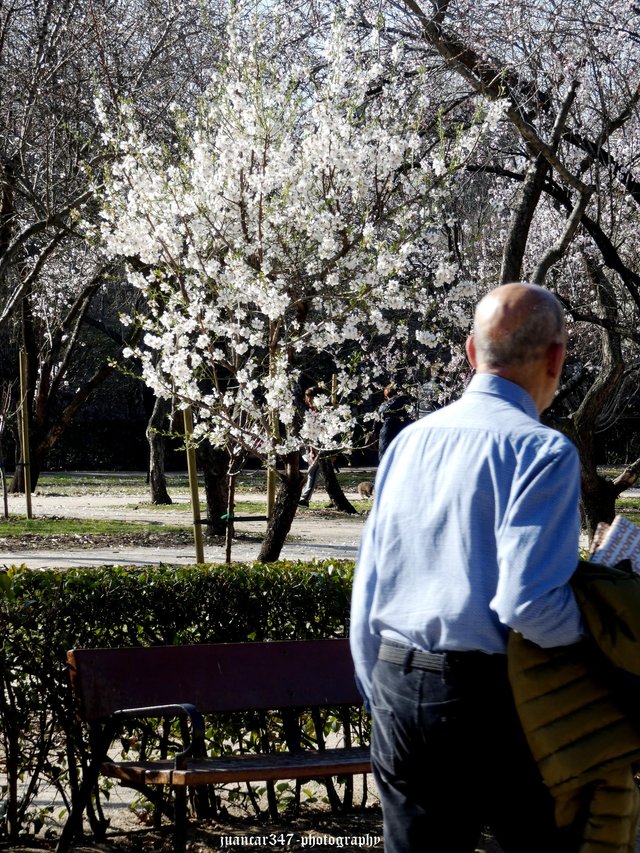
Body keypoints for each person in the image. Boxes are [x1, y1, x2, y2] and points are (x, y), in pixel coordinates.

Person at [350, 283, 585, 853]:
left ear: (470, 352)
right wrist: (596, 630)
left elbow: (369, 586)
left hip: (398, 682)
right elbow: (527, 603)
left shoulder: (409, 442)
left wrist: (378, 692)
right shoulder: (542, 451)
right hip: (498, 694)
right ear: (555, 359)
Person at [377, 384, 413, 460]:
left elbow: (379, 416)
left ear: (386, 396)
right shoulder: (406, 402)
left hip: (388, 431)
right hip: (403, 430)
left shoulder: (385, 405)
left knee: (385, 456)